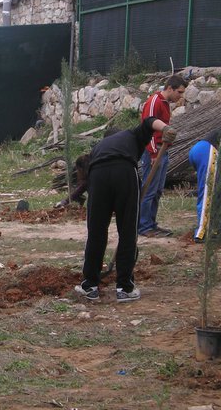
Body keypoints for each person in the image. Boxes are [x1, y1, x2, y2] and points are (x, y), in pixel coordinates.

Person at [75, 117, 176, 303]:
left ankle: (89, 285)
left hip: (97, 175)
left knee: (96, 232)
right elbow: (150, 121)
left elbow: (84, 175)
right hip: (124, 171)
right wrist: (166, 129)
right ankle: (125, 288)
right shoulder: (131, 135)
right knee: (128, 231)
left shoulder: (98, 146)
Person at [138, 75, 187, 237]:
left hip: (163, 151)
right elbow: (148, 127)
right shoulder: (155, 102)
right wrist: (153, 153)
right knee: (149, 189)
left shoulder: (165, 104)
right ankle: (143, 226)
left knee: (157, 190)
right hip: (154, 152)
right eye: (179, 92)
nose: (180, 96)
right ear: (170, 88)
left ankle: (151, 224)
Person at [189, 128, 221, 243]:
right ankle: (201, 233)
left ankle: (215, 230)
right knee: (209, 192)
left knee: (216, 193)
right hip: (207, 151)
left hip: (202, 150)